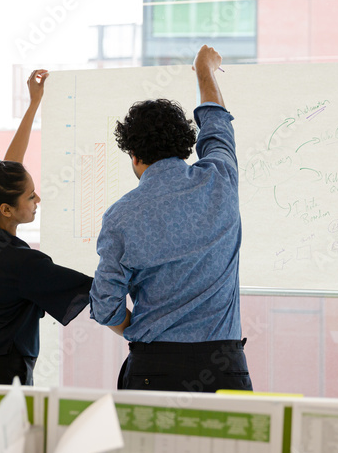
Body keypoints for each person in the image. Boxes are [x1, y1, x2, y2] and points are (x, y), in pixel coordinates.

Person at [89, 44, 253, 392]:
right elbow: (216, 121)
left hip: (154, 368)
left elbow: (106, 306)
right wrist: (203, 69)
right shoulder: (220, 178)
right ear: (186, 146)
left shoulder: (120, 216)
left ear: (133, 155)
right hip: (224, 368)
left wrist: (144, 328)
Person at [0, 69, 94, 386]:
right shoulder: (22, 262)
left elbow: (9, 169)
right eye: (30, 196)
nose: (38, 200)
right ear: (6, 208)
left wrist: (34, 104)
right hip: (0, 378)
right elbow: (94, 288)